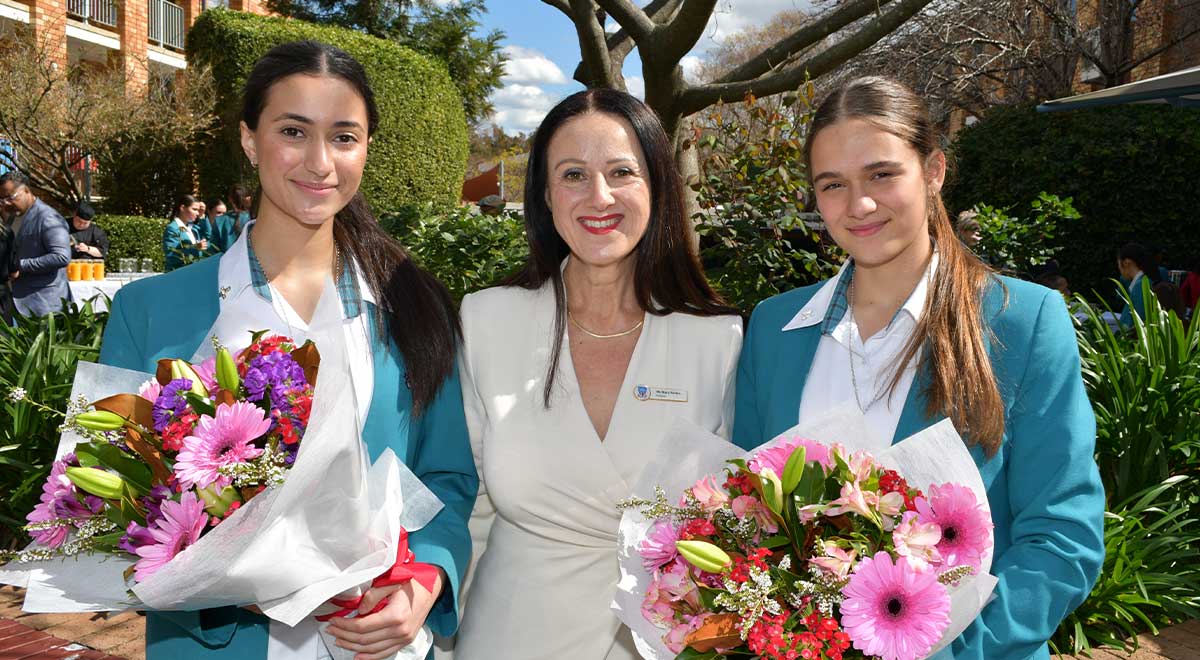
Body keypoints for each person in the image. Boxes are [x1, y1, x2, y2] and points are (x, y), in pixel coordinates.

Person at [99, 40, 477, 659]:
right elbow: (113, 493)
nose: (320, 161)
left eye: (344, 136)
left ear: (366, 149)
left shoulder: (416, 307)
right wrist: (226, 571)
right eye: (294, 131)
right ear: (250, 140)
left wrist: (426, 579)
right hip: (218, 641)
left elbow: (446, 475)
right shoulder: (151, 311)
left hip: (373, 640)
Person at [733, 77, 1104, 659]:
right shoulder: (773, 329)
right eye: (833, 185)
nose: (858, 205)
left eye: (882, 174)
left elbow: (1062, 538)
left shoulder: (1022, 322)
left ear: (933, 171)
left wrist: (943, 652)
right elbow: (748, 512)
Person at [453, 89, 742, 659]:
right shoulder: (488, 319)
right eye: (573, 174)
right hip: (509, 637)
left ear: (657, 186)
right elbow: (470, 506)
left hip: (659, 642)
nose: (599, 196)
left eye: (621, 172)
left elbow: (736, 521)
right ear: (544, 193)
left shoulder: (719, 339)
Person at [0, 171, 71, 317]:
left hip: (45, 305)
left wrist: (21, 266)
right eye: (2, 199)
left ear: (26, 190)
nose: (6, 202)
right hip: (18, 303)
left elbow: (61, 256)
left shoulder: (48, 217)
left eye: (10, 197)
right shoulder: (13, 217)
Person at [1116, 242, 1161, 328]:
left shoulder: (1141, 286)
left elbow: (1135, 325)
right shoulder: (1143, 282)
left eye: (1118, 264)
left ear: (1126, 262)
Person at [162, 194, 208, 271]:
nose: (197, 213)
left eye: (198, 210)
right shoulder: (173, 228)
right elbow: (171, 255)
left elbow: (209, 236)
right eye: (194, 209)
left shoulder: (193, 229)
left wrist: (202, 216)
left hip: (192, 272)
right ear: (182, 208)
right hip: (178, 275)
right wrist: (195, 247)